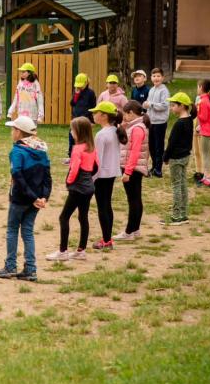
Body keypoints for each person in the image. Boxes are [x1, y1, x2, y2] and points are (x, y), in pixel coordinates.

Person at [0, 116, 51, 283]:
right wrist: (43, 197)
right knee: (27, 232)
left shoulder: (17, 152)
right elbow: (47, 177)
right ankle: (30, 269)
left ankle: (10, 266)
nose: (12, 132)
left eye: (13, 129)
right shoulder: (42, 150)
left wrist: (34, 197)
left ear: (19, 132)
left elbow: (17, 176)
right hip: (35, 200)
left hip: (20, 198)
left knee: (12, 230)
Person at [46, 117, 95, 262]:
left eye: (72, 129)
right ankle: (81, 250)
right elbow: (96, 166)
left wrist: (69, 182)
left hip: (78, 187)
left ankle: (63, 251)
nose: (71, 132)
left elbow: (74, 169)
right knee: (83, 217)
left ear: (78, 132)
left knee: (64, 217)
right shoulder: (91, 147)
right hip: (88, 187)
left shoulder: (77, 149)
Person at [90, 100, 124, 249]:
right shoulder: (114, 131)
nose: (93, 114)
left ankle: (106, 240)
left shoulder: (101, 135)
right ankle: (108, 238)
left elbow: (97, 160)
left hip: (101, 175)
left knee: (102, 207)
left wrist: (91, 178)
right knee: (107, 205)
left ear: (104, 116)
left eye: (96, 112)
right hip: (111, 173)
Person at [115, 100, 149, 241]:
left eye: (125, 115)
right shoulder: (135, 126)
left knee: (133, 200)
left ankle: (129, 231)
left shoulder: (137, 129)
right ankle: (135, 229)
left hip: (133, 168)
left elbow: (134, 152)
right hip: (134, 167)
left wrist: (128, 172)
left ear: (131, 113)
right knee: (136, 199)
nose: (124, 117)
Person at [161, 91, 193, 225]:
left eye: (173, 105)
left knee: (176, 186)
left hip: (176, 158)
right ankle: (184, 213)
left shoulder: (179, 123)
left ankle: (176, 215)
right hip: (185, 156)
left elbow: (171, 143)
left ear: (182, 106)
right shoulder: (190, 120)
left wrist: (165, 157)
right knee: (183, 184)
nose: (171, 108)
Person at [193, 79, 210, 188]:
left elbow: (203, 117)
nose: (197, 89)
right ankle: (206, 176)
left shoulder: (202, 101)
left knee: (205, 155)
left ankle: (208, 177)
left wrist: (196, 111)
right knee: (207, 153)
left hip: (206, 132)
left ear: (201, 87)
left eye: (198, 87)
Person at [145, 68, 171, 177]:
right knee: (151, 146)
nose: (156, 78)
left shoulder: (164, 90)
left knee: (158, 146)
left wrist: (150, 104)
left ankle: (159, 169)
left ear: (162, 78)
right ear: (151, 78)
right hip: (151, 122)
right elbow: (148, 105)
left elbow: (164, 106)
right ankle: (154, 166)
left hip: (160, 122)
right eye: (154, 76)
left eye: (158, 76)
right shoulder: (151, 90)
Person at [67, 73, 96, 161]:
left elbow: (93, 106)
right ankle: (71, 155)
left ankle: (85, 155)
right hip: (75, 118)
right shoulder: (76, 91)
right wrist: (76, 95)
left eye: (81, 86)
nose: (79, 87)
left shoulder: (91, 93)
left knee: (84, 138)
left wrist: (92, 120)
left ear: (86, 83)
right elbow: (72, 103)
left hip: (85, 119)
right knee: (72, 136)